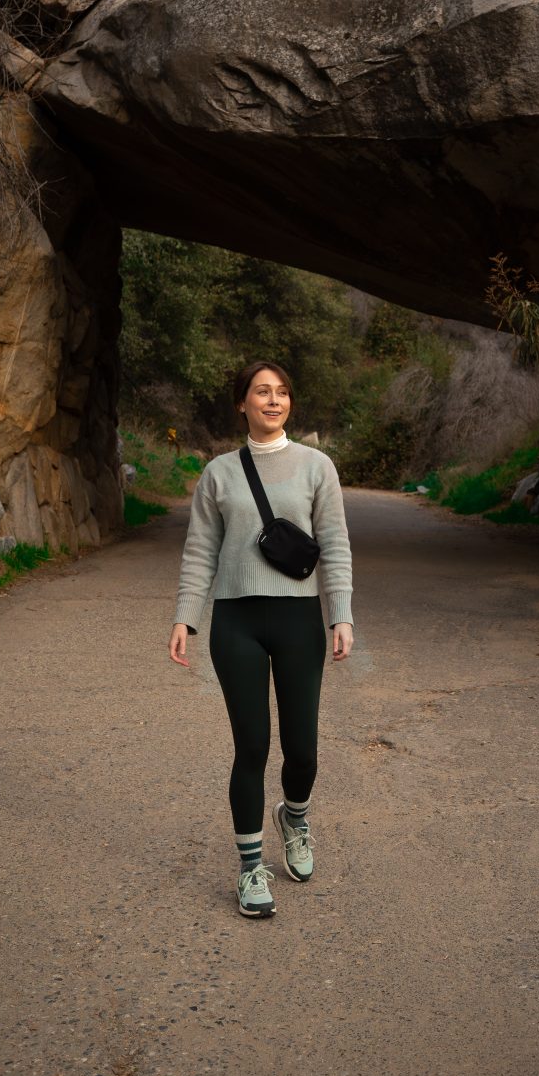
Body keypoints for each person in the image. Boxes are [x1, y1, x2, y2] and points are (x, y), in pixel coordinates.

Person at [168, 361, 354, 918]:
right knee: (251, 746)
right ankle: (251, 867)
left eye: (281, 393)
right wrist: (186, 616)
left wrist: (340, 612)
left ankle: (294, 818)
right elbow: (200, 549)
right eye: (261, 392)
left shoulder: (317, 467)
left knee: (302, 751)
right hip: (236, 621)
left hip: (298, 621)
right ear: (241, 403)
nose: (273, 401)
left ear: (289, 403)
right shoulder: (219, 473)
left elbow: (335, 543)